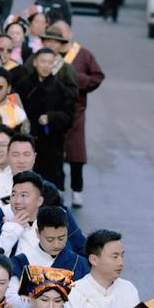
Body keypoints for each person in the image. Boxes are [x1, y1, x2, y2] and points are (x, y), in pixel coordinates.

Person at [53, 21, 104, 207]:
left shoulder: (83, 54)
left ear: (70, 33)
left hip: (76, 109)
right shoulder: (49, 54)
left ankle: (77, 189)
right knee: (55, 151)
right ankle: (58, 188)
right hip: (53, 109)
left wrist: (80, 80)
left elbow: (98, 76)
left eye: (63, 32)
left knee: (76, 152)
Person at [13, 48, 74, 191]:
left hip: (51, 143)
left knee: (50, 184)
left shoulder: (61, 88)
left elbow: (69, 116)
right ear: (35, 62)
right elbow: (14, 107)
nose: (46, 66)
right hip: (27, 139)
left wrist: (51, 117)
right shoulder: (23, 84)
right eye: (42, 62)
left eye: (49, 63)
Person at [62, 229, 139, 308]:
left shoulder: (129, 289)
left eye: (122, 256)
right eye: (115, 257)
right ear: (94, 260)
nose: (121, 262)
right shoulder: (74, 292)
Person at [15, 205, 90, 280]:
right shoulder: (22, 262)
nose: (56, 245)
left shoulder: (79, 263)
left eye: (61, 238)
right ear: (38, 233)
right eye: (50, 239)